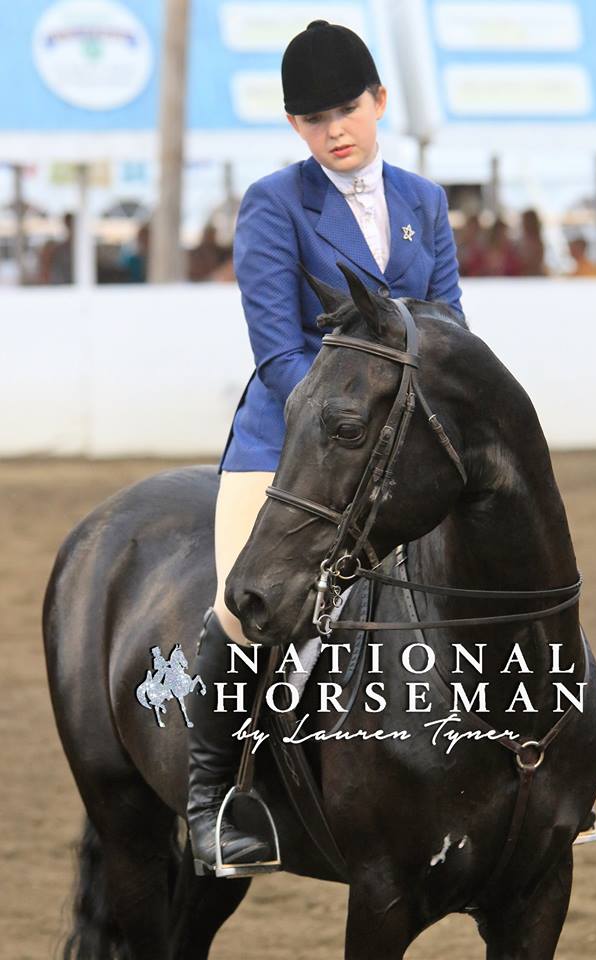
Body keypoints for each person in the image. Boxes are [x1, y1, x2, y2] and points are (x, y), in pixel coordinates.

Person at [185, 19, 465, 878]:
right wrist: (354, 429)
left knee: (489, 564)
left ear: (379, 101)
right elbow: (277, 351)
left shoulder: (422, 200)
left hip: (402, 450)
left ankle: (533, 771)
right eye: (313, 119)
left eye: (346, 108)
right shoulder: (275, 204)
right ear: (294, 128)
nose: (334, 129)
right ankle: (213, 798)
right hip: (291, 446)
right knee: (244, 604)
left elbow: (449, 330)